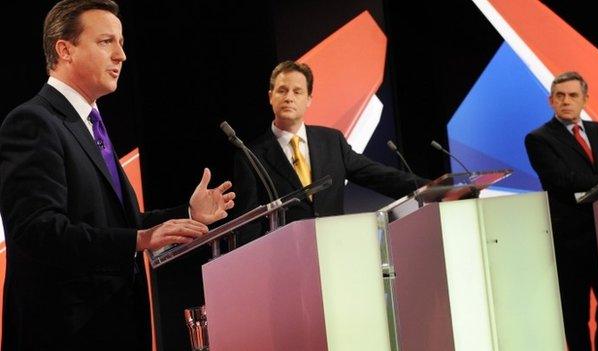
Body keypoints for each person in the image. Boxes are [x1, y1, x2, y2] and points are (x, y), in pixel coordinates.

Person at [0, 1, 235, 349]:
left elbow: (116, 224)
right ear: (65, 49)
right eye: (106, 41)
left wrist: (186, 216)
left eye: (121, 42)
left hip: (117, 326)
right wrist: (139, 239)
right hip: (65, 333)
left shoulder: (90, 124)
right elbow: (37, 231)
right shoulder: (34, 122)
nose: (121, 55)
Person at [232, 60, 428, 245]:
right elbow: (249, 224)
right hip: (287, 258)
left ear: (309, 99)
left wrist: (429, 188)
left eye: (297, 91)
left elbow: (377, 175)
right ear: (270, 96)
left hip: (335, 249)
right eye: (282, 90)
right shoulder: (251, 156)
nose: (289, 97)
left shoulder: (331, 141)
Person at [525, 71, 598, 351]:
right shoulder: (539, 138)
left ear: (585, 99)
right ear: (551, 101)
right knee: (575, 312)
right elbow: (561, 180)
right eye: (560, 96)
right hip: (570, 240)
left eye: (573, 95)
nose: (566, 101)